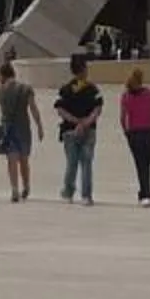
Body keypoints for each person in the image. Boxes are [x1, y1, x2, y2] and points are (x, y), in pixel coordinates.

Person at [0, 60, 41, 203]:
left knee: (11, 160)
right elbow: (33, 108)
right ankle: (26, 186)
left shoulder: (0, 89)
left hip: (7, 128)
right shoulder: (26, 88)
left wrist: (0, 90)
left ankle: (14, 189)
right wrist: (39, 126)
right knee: (24, 160)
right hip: (23, 127)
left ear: (2, 75)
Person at [55, 56, 104, 205]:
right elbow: (98, 109)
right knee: (87, 163)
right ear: (83, 70)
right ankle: (86, 195)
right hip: (89, 130)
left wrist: (75, 122)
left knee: (72, 162)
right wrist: (86, 122)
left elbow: (60, 109)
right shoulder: (93, 89)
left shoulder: (65, 89)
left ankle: (68, 192)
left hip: (69, 130)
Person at [118, 67, 150, 205]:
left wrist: (126, 132)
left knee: (140, 164)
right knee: (146, 163)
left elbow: (123, 117)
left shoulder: (126, 96)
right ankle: (145, 193)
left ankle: (145, 194)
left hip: (134, 133)